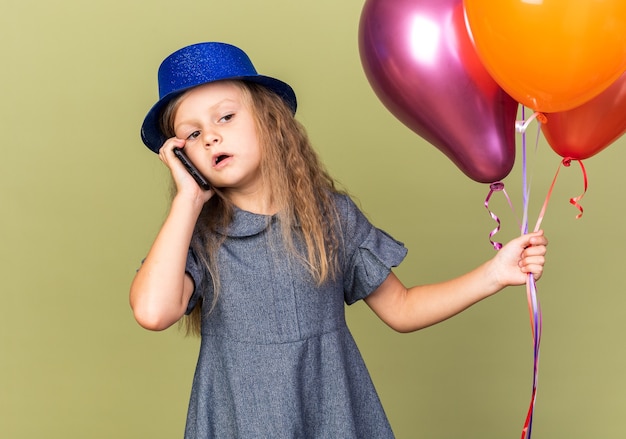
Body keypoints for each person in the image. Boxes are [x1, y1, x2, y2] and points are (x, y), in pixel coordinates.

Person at [130, 42, 548, 439]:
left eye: (225, 117)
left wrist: (494, 273)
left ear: (268, 119)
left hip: (332, 411)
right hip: (240, 417)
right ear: (181, 156)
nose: (211, 138)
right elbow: (153, 311)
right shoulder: (197, 236)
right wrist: (188, 200)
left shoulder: (331, 217)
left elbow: (402, 309)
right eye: (193, 134)